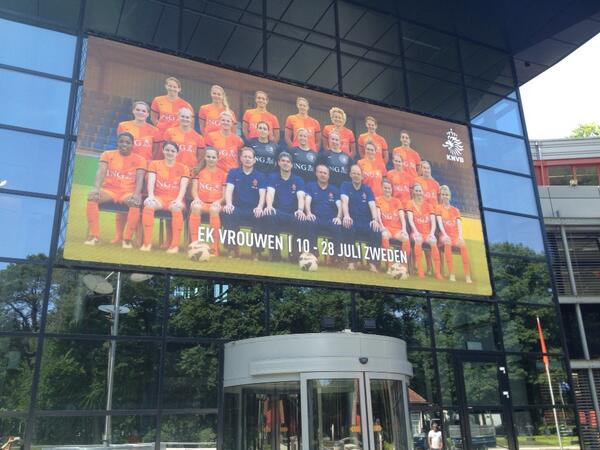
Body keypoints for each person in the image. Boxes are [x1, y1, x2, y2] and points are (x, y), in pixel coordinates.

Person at [112, 101, 160, 244]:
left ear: (148, 114)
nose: (140, 112)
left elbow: (155, 151)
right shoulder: (123, 126)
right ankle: (118, 235)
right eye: (138, 109)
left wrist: (147, 165)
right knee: (122, 201)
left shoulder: (154, 130)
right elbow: (121, 145)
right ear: (133, 111)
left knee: (141, 203)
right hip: (127, 169)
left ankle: (139, 237)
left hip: (145, 171)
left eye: (144, 111)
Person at [85, 132, 145, 246]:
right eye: (121, 141)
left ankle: (127, 239)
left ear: (133, 144)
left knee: (135, 203)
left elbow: (140, 178)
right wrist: (96, 188)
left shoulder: (140, 159)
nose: (124, 144)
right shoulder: (107, 154)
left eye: (127, 142)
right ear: (117, 142)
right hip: (110, 191)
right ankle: (94, 236)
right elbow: (101, 171)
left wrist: (137, 194)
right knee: (92, 197)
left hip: (127, 193)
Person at [140, 141, 190, 253]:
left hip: (175, 199)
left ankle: (174, 246)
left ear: (177, 153)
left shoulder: (184, 168)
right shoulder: (154, 164)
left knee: (176, 208)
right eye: (167, 150)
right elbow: (151, 181)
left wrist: (178, 200)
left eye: (172, 151)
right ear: (163, 150)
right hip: (159, 199)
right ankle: (147, 244)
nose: (169, 152)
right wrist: (151, 196)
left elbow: (183, 187)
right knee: (149, 205)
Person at [221, 147, 267, 257]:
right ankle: (232, 249)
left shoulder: (260, 176)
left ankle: (256, 251)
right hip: (237, 207)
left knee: (260, 215)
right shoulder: (233, 172)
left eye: (250, 157)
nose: (247, 159)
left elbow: (262, 194)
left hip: (253, 209)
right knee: (228, 212)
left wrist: (260, 207)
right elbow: (229, 190)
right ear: (241, 158)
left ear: (254, 160)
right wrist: (229, 204)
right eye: (245, 157)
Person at [263, 152, 306, 261]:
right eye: (283, 161)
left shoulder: (298, 180)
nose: (285, 163)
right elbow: (270, 193)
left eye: (288, 162)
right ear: (278, 163)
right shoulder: (273, 177)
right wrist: (269, 206)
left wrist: (300, 210)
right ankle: (275, 254)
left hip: (292, 213)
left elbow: (301, 197)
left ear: (291, 165)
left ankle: (294, 254)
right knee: (269, 215)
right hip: (278, 212)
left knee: (301, 218)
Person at [340, 165, 381, 271]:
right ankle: (352, 261)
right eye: (354, 173)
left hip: (365, 221)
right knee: (347, 226)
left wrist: (374, 220)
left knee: (376, 230)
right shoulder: (345, 185)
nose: (356, 176)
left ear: (362, 176)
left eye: (358, 174)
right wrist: (346, 216)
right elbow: (344, 201)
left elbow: (372, 204)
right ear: (350, 174)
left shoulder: (367, 189)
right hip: (352, 219)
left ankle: (372, 263)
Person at [189, 148, 227, 255]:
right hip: (202, 203)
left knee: (214, 209)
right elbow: (194, 190)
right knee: (195, 207)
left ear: (218, 158)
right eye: (208, 157)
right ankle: (195, 244)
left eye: (213, 157)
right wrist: (196, 199)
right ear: (205, 157)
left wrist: (219, 201)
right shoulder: (198, 172)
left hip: (216, 204)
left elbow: (224, 196)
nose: (211, 159)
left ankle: (214, 247)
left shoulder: (223, 174)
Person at [304, 164, 342, 260]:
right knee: (310, 222)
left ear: (328, 176)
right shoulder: (311, 186)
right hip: (316, 218)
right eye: (320, 172)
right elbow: (307, 200)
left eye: (325, 173)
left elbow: (340, 205)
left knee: (337, 226)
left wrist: (338, 217)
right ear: (316, 173)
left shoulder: (334, 189)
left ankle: (335, 257)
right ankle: (313, 255)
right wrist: (308, 213)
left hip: (330, 219)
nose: (323, 175)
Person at [406, 182, 442, 279]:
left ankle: (438, 273)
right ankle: (420, 271)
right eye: (416, 190)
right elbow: (410, 220)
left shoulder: (428, 205)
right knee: (418, 239)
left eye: (420, 191)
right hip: (416, 232)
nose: (418, 192)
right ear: (413, 192)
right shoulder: (410, 203)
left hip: (427, 233)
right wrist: (416, 232)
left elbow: (433, 222)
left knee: (433, 241)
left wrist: (432, 233)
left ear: (423, 192)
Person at [436, 185, 472, 283]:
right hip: (444, 235)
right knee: (447, 241)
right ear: (440, 196)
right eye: (443, 194)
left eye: (446, 195)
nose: (445, 196)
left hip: (455, 236)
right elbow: (440, 224)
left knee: (462, 244)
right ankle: (452, 273)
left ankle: (467, 275)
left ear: (450, 196)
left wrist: (460, 236)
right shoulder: (438, 208)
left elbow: (459, 224)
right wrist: (444, 234)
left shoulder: (455, 210)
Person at [376, 178, 410, 267]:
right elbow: (378, 215)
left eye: (389, 188)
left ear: (392, 189)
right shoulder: (378, 200)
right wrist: (382, 226)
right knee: (384, 235)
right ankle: (390, 264)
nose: (387, 190)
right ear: (382, 188)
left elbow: (402, 217)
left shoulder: (397, 201)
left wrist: (404, 229)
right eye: (385, 188)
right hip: (386, 228)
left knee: (405, 237)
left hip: (397, 229)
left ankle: (404, 266)